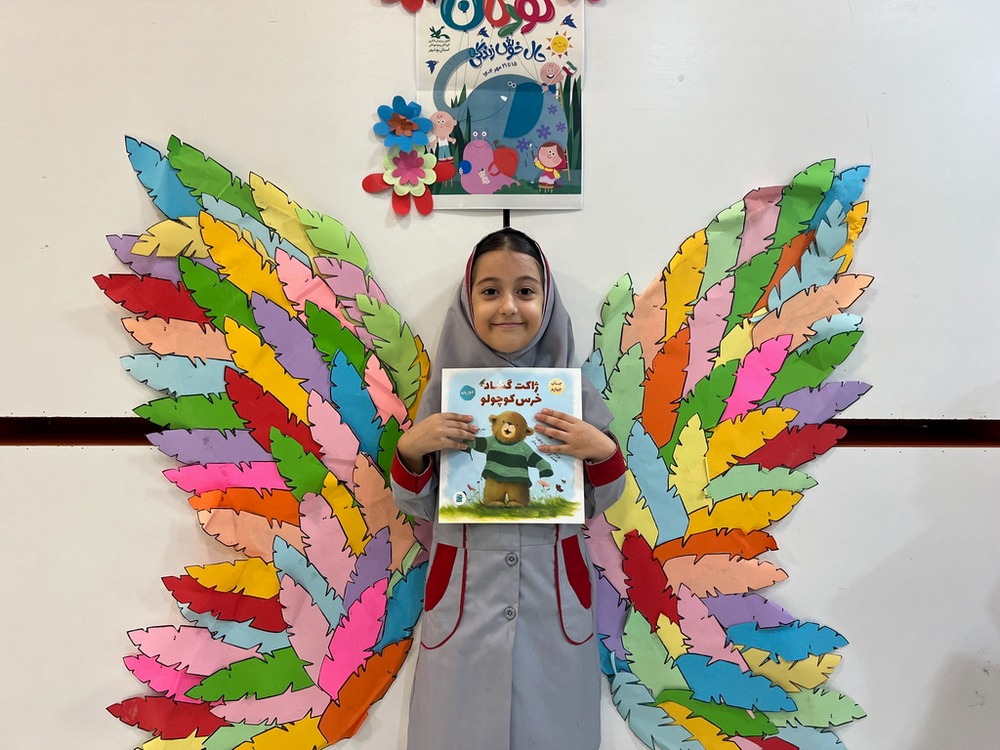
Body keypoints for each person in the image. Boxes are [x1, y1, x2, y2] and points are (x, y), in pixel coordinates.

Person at [391, 227, 627, 750]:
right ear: (467, 300)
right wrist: (412, 450)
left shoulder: (572, 395)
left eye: (525, 290)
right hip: (464, 602)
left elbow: (597, 501)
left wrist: (601, 451)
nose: (508, 307)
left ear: (547, 299)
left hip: (553, 599)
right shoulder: (446, 396)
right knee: (455, 731)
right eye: (490, 290)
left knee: (556, 730)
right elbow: (417, 504)